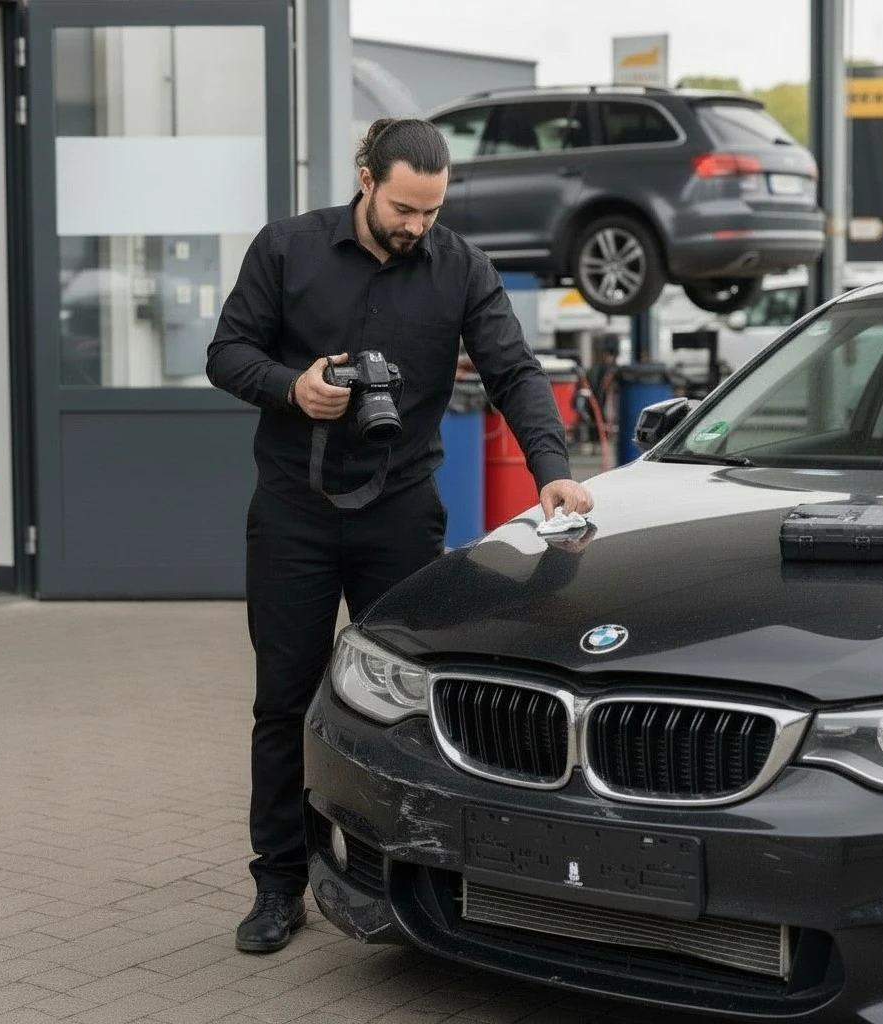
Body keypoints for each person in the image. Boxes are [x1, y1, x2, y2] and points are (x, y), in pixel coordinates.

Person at [205, 117, 594, 955]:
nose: (417, 225)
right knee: (284, 702)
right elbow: (226, 352)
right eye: (403, 208)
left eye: (431, 211)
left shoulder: (462, 267)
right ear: (367, 180)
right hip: (293, 513)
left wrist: (551, 468)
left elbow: (515, 371)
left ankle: (407, 879)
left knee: (411, 705)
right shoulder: (287, 249)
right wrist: (292, 386)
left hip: (402, 513)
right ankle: (278, 885)